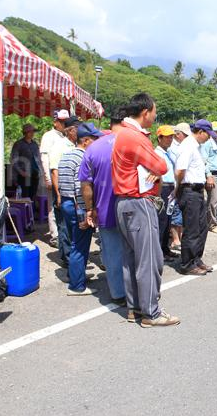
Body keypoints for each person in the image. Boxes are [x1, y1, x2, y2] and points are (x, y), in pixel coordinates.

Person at [113, 92, 179, 328]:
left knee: (131, 260)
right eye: (154, 111)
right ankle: (151, 313)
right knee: (149, 260)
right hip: (139, 203)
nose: (155, 115)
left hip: (123, 203)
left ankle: (135, 309)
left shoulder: (121, 134)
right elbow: (160, 165)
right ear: (145, 113)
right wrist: (153, 168)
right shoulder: (136, 137)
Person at [78, 107, 127, 305]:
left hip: (105, 210)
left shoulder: (93, 148)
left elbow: (86, 185)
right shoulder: (135, 143)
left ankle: (118, 294)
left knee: (112, 253)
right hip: (132, 209)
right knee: (132, 252)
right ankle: (135, 290)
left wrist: (90, 209)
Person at [58, 123, 103, 296]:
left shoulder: (66, 156)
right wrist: (86, 212)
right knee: (80, 244)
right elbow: (80, 187)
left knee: (73, 241)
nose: (97, 142)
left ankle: (76, 275)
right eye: (94, 139)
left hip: (67, 203)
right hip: (79, 205)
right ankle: (76, 285)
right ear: (85, 141)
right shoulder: (83, 158)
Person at [175, 119, 217, 276]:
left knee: (202, 228)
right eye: (208, 135)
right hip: (189, 190)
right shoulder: (187, 146)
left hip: (198, 191)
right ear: (201, 132)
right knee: (192, 229)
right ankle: (187, 264)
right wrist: (177, 189)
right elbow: (180, 171)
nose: (209, 138)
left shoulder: (196, 146)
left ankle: (196, 259)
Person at [51, 115, 80, 266]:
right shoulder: (60, 146)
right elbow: (55, 171)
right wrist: (58, 194)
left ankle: (71, 258)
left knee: (70, 227)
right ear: (70, 130)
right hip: (62, 192)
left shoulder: (74, 145)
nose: (79, 131)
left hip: (72, 193)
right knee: (65, 226)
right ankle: (67, 259)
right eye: (77, 129)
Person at [40, 109, 70, 246]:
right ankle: (55, 236)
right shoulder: (49, 136)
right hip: (54, 175)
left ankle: (63, 234)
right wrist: (48, 178)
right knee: (53, 206)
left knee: (62, 205)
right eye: (62, 122)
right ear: (55, 122)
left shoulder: (66, 136)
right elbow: (44, 158)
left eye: (66, 121)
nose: (64, 124)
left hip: (64, 176)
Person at [155, 125, 178, 257]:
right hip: (162, 187)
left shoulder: (168, 153)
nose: (170, 139)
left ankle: (165, 248)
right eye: (167, 137)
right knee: (162, 219)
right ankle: (159, 251)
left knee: (168, 219)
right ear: (159, 138)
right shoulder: (157, 153)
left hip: (170, 187)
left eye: (171, 137)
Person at [10, 123, 44, 205]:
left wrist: (41, 171)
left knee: (33, 195)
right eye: (30, 132)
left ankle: (32, 213)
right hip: (24, 175)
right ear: (25, 133)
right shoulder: (18, 144)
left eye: (33, 132)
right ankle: (25, 216)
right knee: (25, 196)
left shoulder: (35, 144)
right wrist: (21, 172)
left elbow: (38, 159)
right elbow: (13, 159)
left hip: (35, 173)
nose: (32, 133)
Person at [200, 121, 217, 234]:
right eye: (216, 130)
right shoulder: (207, 143)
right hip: (212, 174)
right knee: (212, 200)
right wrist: (208, 175)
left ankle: (212, 220)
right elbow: (204, 160)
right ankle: (211, 224)